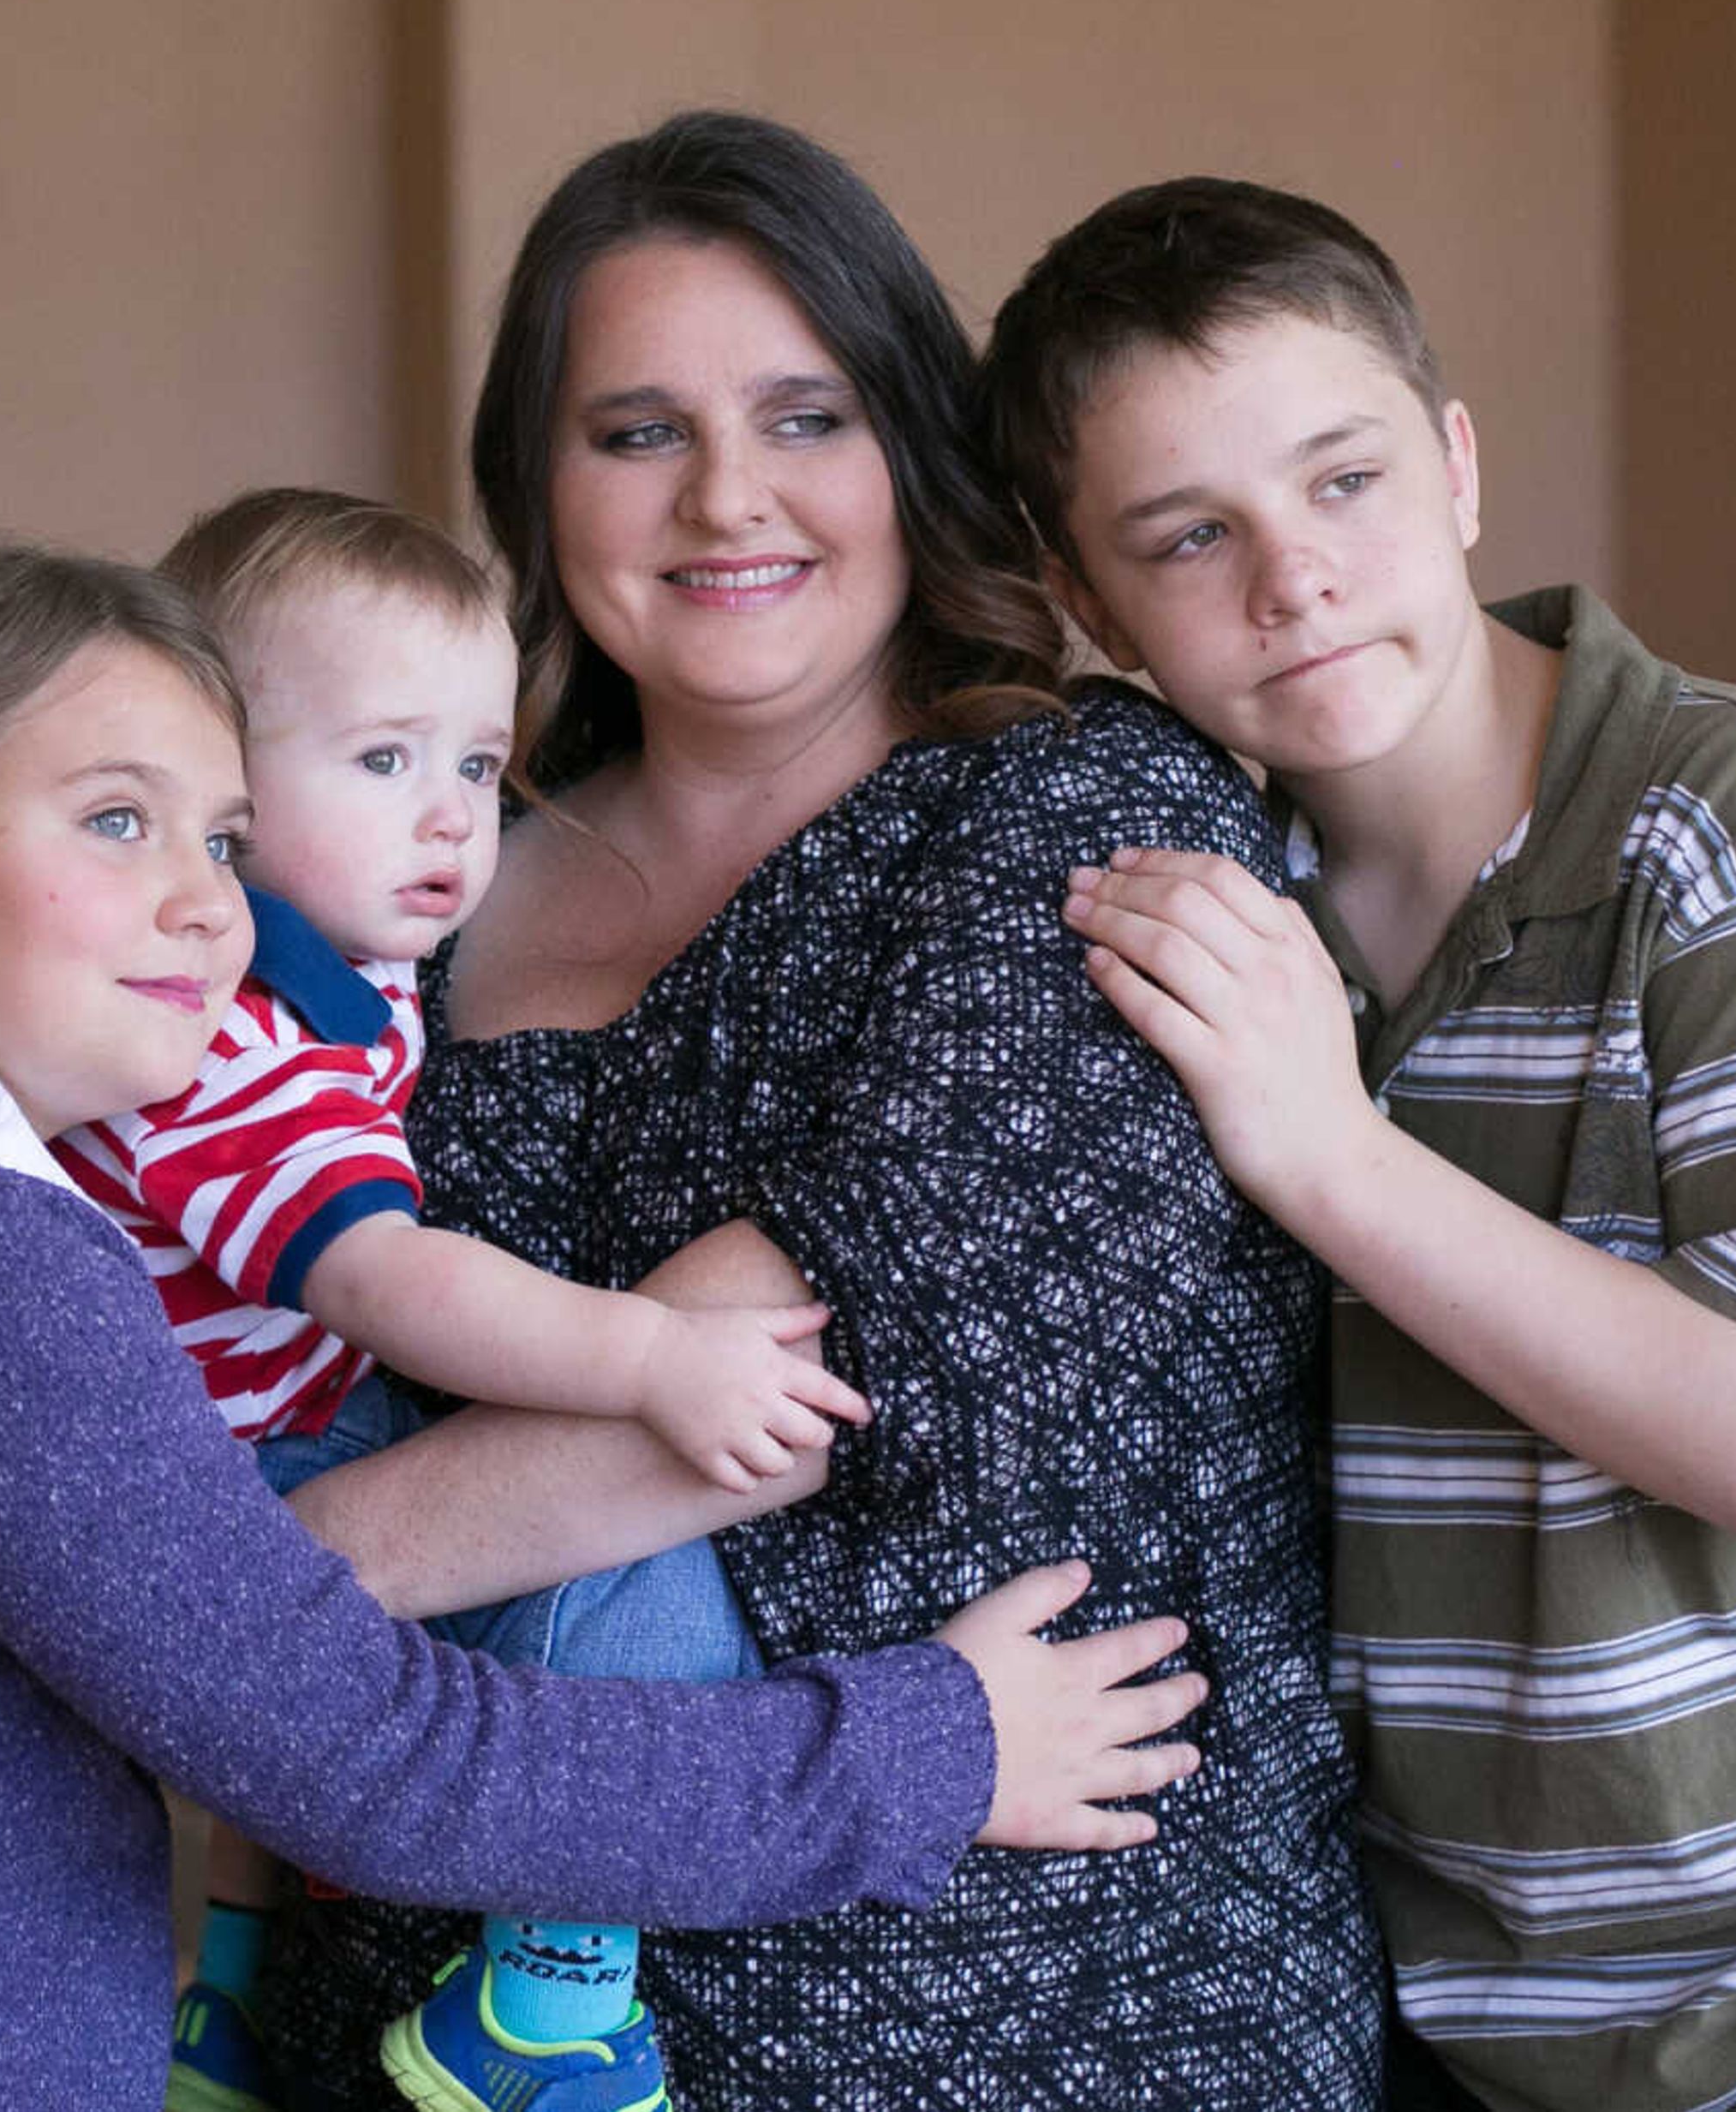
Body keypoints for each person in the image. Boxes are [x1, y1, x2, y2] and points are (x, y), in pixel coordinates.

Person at [0, 535, 1218, 2112]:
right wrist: (933, 1747)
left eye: (220, 833)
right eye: (116, 819)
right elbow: (383, 1755)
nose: (208, 903)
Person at [254, 114, 1384, 2109]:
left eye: (807, 415)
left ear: (912, 455)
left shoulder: (1074, 824)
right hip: (410, 2016)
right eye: (633, 432)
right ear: (534, 480)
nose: (725, 500)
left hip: (1023, 2014)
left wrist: (199, 1613)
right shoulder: (403, 881)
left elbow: (778, 1384)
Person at [996, 177, 1736, 2110]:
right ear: (1091, 604)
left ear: (1456, 467)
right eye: (1191, 536)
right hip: (1483, 1983)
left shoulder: (1733, 815)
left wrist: (1325, 1149)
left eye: (1342, 479)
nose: (1293, 577)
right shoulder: (1212, 891)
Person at [51, 489, 854, 2112]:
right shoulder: (232, 1039)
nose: (448, 824)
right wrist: (649, 1357)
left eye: (477, 768)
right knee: (644, 1582)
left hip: (247, 1418)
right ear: (216, 783)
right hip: (236, 1452)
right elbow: (382, 1272)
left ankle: (224, 1999)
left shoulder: (333, 976)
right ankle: (546, 2004)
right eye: (383, 760)